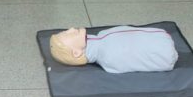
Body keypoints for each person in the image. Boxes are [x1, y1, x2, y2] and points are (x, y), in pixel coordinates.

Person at [49, 26, 178, 73]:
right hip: (165, 52)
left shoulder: (103, 37)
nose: (71, 29)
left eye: (66, 31)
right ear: (76, 53)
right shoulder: (108, 58)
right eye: (68, 34)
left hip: (162, 42)